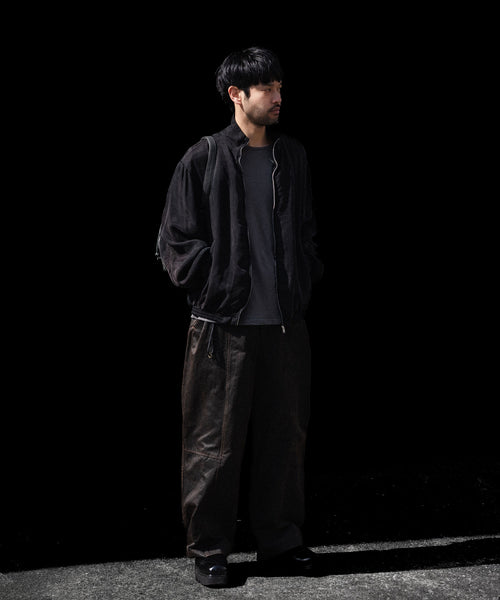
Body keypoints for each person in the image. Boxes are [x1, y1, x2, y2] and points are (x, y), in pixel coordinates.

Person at [156, 46, 324, 587]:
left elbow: (305, 233)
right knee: (213, 445)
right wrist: (216, 285)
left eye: (280, 87)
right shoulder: (202, 158)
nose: (278, 97)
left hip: (284, 327)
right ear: (236, 94)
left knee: (284, 439)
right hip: (220, 329)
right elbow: (175, 242)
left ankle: (281, 543)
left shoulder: (290, 156)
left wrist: (302, 276)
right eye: (267, 88)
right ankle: (209, 550)